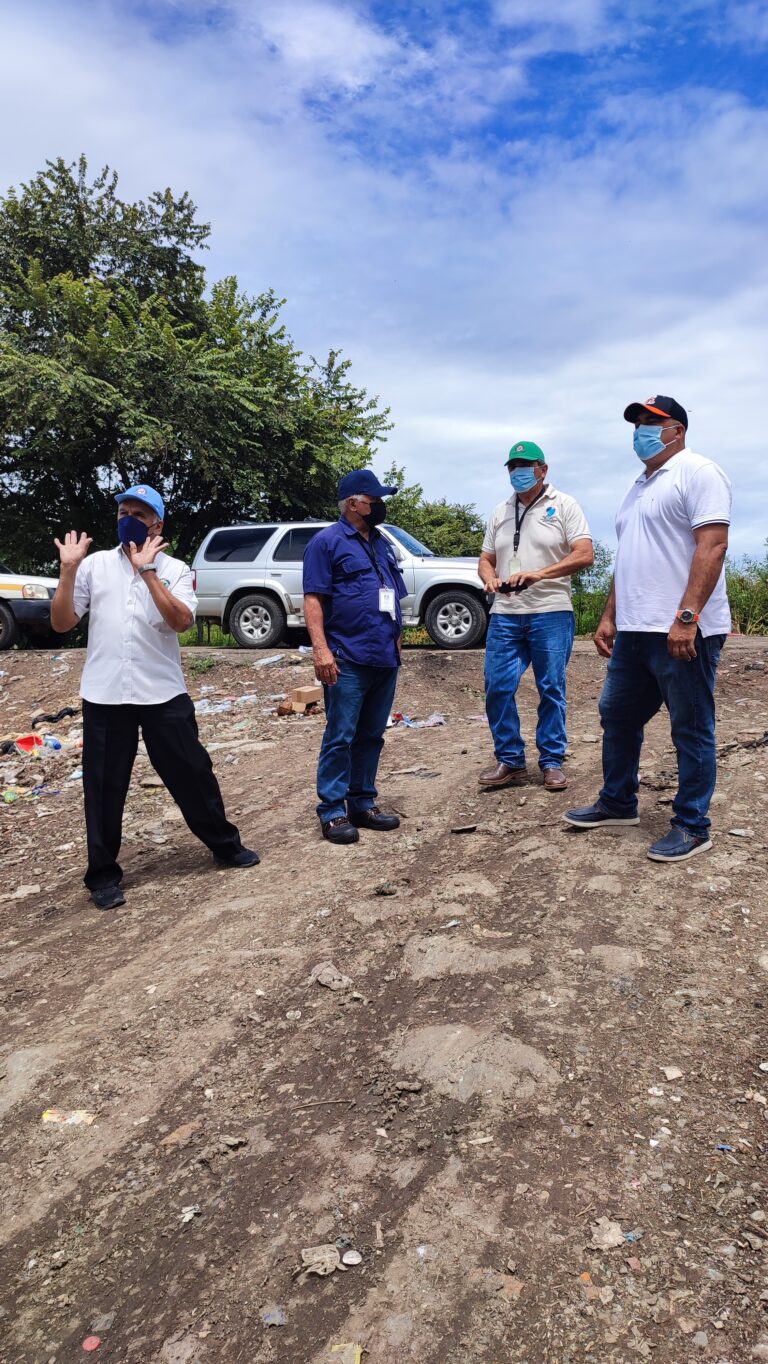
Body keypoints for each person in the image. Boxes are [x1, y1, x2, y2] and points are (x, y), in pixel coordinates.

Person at [51, 484, 259, 910]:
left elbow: (181, 622)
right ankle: (103, 877)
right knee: (104, 788)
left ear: (157, 524)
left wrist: (147, 572)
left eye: (139, 513)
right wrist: (68, 571)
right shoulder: (93, 567)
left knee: (193, 772)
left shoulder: (176, 569)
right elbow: (61, 623)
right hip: (105, 695)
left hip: (162, 693)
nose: (128, 517)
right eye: (123, 510)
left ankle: (224, 844)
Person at [565, 395, 731, 862]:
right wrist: (609, 615)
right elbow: (629, 559)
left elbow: (713, 546)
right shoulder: (638, 486)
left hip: (681, 629)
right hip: (635, 631)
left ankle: (693, 824)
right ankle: (618, 802)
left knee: (691, 727)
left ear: (676, 429)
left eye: (650, 422)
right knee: (617, 715)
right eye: (637, 422)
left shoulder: (699, 472)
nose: (640, 430)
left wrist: (687, 617)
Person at [477, 440, 594, 792]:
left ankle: (551, 760)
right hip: (506, 613)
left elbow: (585, 553)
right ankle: (510, 760)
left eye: (525, 465)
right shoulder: (500, 511)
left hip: (551, 612)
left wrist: (539, 574)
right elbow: (485, 559)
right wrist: (490, 579)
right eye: (512, 466)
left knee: (551, 689)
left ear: (543, 469)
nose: (518, 472)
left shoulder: (564, 505)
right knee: (497, 686)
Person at [303, 470, 408, 844]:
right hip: (347, 657)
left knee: (371, 735)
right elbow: (314, 599)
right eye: (373, 499)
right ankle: (332, 811)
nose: (378, 505)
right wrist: (321, 650)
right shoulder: (325, 543)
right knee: (340, 735)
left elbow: (394, 596)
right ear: (353, 503)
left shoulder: (382, 543)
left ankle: (362, 802)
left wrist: (399, 640)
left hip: (384, 656)